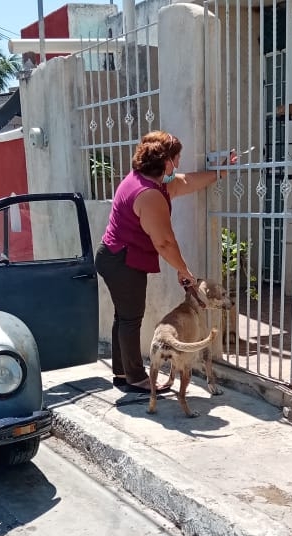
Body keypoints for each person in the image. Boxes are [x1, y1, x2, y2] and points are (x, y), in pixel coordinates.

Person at [95, 131, 234, 393]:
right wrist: (184, 270)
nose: (178, 164)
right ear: (166, 161)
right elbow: (165, 243)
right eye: (177, 158)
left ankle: (122, 374)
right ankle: (136, 378)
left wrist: (219, 173)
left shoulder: (147, 181)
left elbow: (185, 182)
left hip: (114, 256)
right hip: (122, 261)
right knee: (130, 318)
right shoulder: (148, 194)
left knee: (123, 316)